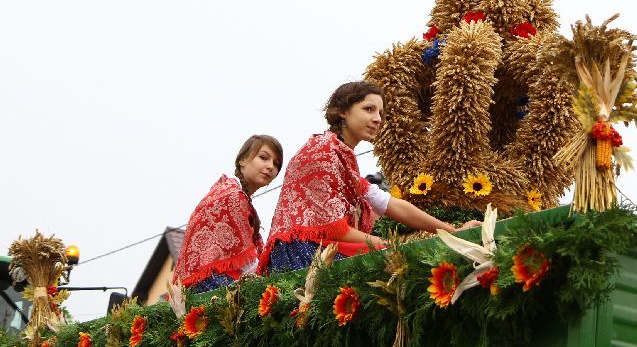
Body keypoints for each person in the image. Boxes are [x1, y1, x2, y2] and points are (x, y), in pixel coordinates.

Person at [260, 81, 481, 274]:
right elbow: (336, 229)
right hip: (300, 253)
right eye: (368, 109)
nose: (377, 119)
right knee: (399, 258)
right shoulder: (322, 150)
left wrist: (452, 230)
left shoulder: (343, 156)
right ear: (342, 111)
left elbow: (387, 203)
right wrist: (395, 245)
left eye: (380, 113)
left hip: (323, 247)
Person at [172, 135, 283, 292]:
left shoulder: (235, 195)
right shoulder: (231, 195)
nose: (271, 166)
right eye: (264, 157)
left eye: (276, 164)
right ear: (242, 160)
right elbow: (247, 263)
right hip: (210, 285)